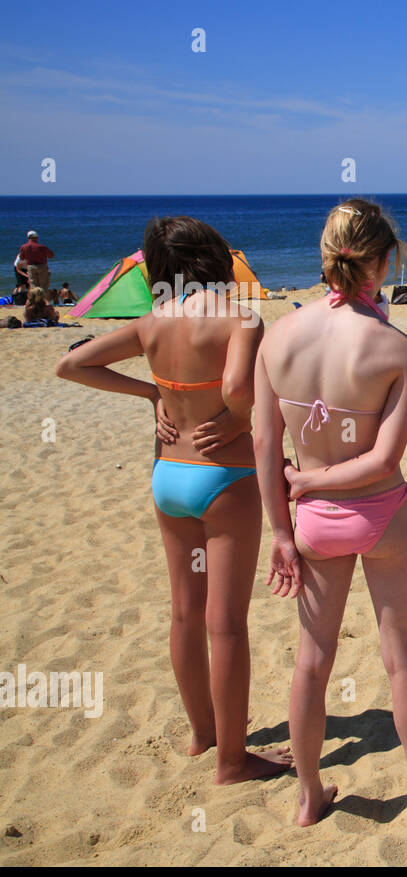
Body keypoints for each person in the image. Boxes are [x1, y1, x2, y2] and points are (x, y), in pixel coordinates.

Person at [255, 198, 407, 826]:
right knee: (402, 657)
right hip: (380, 514)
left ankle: (308, 797)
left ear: (326, 258)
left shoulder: (279, 336)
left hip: (311, 517)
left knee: (311, 658)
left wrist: (282, 523)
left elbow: (267, 447)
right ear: (383, 262)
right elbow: (381, 461)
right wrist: (315, 483)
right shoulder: (399, 348)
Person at [55, 216, 290, 784]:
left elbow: (73, 364)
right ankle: (233, 762)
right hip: (224, 482)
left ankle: (203, 733)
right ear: (213, 258)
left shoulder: (151, 322)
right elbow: (237, 387)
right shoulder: (241, 319)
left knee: (184, 612)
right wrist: (237, 422)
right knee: (226, 623)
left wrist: (152, 394)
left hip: (169, 479)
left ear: (157, 268)